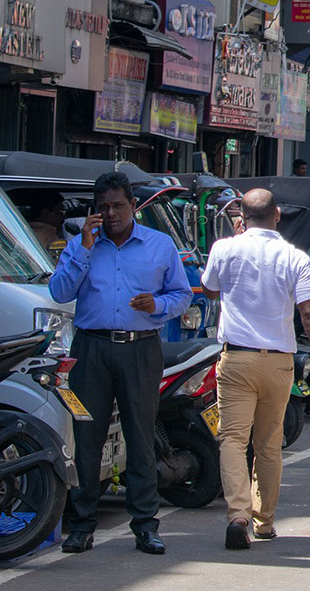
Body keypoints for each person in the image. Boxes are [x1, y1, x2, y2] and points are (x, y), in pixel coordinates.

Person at [49, 171, 192, 555]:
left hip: (140, 348)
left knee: (140, 437)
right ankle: (80, 525)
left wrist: (157, 305)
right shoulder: (83, 245)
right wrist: (83, 247)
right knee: (87, 438)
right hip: (91, 349)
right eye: (103, 207)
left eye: (117, 206)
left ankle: (145, 525)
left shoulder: (159, 246)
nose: (110, 214)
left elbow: (182, 295)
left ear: (133, 206)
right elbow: (60, 291)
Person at [202, 189, 310, 549]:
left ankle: (237, 514)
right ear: (277, 214)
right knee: (268, 444)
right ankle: (264, 522)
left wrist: (233, 242)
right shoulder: (294, 257)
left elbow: (210, 291)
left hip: (237, 359)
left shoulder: (224, 249)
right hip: (278, 362)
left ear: (243, 217)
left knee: (232, 439)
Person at [27, 189, 67, 258]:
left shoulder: (26, 232)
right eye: (61, 211)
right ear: (45, 213)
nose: (64, 216)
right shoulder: (43, 236)